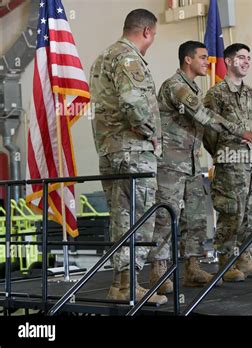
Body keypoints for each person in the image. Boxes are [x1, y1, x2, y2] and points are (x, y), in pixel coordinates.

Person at [149, 41, 252, 292]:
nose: (207, 62)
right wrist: (240, 131)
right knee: (166, 217)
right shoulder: (176, 86)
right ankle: (159, 269)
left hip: (191, 163)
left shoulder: (193, 88)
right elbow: (204, 116)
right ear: (188, 60)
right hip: (170, 163)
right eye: (202, 57)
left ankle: (192, 266)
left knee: (195, 217)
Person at [90, 9, 166, 303]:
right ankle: (130, 285)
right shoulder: (129, 58)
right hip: (134, 151)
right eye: (154, 34)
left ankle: (120, 285)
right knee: (139, 217)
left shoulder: (102, 58)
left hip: (110, 150)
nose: (153, 40)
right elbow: (133, 103)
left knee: (121, 217)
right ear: (147, 31)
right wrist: (151, 133)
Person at [203, 43, 252, 282]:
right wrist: (225, 151)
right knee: (232, 212)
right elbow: (209, 131)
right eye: (241, 57)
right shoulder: (216, 93)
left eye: (248, 58)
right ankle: (226, 260)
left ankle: (245, 257)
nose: (246, 62)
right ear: (229, 61)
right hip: (230, 164)